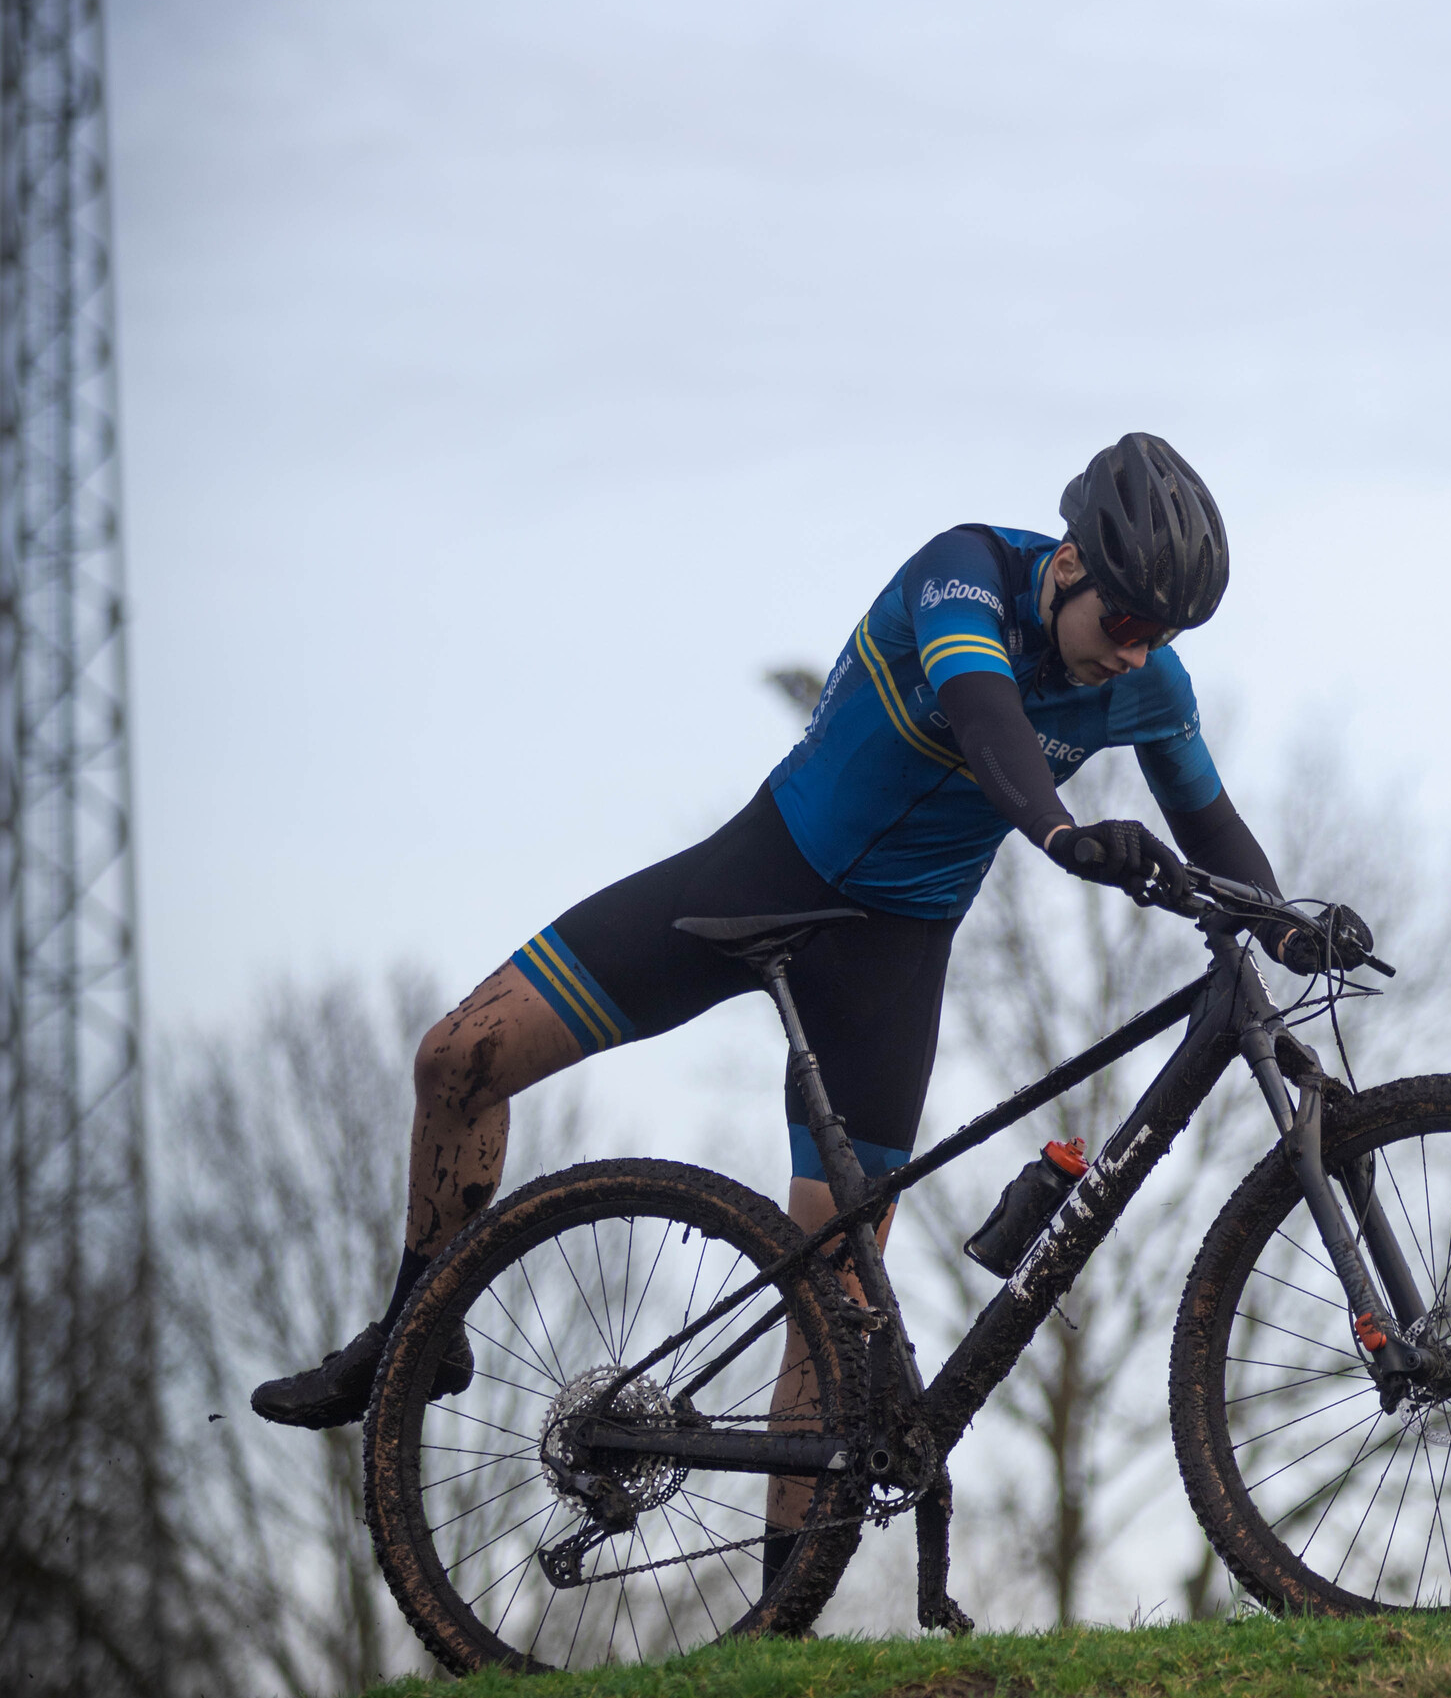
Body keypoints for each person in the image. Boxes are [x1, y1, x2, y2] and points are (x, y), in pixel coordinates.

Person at [253, 435, 1315, 1581]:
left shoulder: (1147, 683)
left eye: (1163, 635)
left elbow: (1209, 824)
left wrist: (1292, 919)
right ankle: (416, 1336)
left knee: (836, 1295)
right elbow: (985, 720)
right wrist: (1059, 831)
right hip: (758, 882)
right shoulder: (959, 574)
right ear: (1067, 563)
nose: (1138, 652)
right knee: (458, 1056)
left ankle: (780, 1615)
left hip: (889, 957)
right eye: (1125, 622)